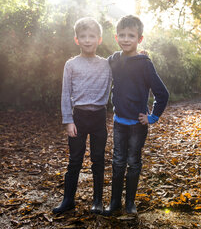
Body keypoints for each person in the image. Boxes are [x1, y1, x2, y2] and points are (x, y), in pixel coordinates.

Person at [104, 15, 169, 215]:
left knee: (133, 161)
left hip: (137, 126)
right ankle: (115, 202)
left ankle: (130, 202)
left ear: (139, 39)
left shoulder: (144, 64)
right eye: (122, 35)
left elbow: (162, 93)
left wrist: (152, 117)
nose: (126, 39)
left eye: (131, 35)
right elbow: (99, 72)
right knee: (117, 161)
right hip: (119, 123)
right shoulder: (114, 59)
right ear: (116, 37)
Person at [53, 17, 112, 215]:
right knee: (75, 160)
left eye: (92, 36)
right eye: (83, 36)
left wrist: (141, 55)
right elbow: (65, 93)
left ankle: (97, 201)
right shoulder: (71, 64)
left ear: (99, 39)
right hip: (78, 118)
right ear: (77, 39)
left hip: (98, 118)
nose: (88, 40)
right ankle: (68, 200)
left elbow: (126, 63)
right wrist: (68, 120)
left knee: (98, 159)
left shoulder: (108, 64)